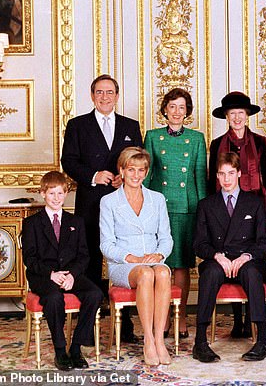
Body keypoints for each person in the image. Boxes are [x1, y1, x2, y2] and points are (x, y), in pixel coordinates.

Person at [61, 74, 143, 343]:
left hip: (124, 203)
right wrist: (93, 175)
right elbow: (68, 161)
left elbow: (137, 158)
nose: (105, 97)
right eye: (99, 92)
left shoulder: (131, 125)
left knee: (124, 259)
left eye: (110, 92)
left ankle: (126, 327)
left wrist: (124, 176)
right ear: (92, 95)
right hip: (91, 204)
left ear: (117, 96)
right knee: (91, 263)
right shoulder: (77, 125)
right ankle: (90, 328)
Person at [192, 152, 266, 363]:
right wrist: (217, 256)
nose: (226, 179)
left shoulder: (254, 203)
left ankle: (263, 340)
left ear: (238, 174)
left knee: (254, 274)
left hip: (245, 260)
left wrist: (246, 256)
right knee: (208, 274)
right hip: (218, 260)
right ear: (216, 176)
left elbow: (265, 242)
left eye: (230, 173)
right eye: (221, 174)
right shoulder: (206, 205)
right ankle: (200, 342)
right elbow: (199, 244)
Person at [209, 91, 266, 339]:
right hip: (226, 212)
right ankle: (238, 319)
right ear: (226, 117)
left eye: (241, 113)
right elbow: (211, 181)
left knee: (253, 263)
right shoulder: (218, 145)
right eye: (232, 114)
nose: (237, 117)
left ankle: (252, 318)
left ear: (247, 116)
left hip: (255, 213)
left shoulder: (259, 142)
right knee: (230, 259)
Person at [22, 171, 103, 371]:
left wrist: (73, 275)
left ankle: (75, 348)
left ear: (66, 194)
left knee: (95, 294)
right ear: (43, 194)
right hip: (43, 275)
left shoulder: (76, 222)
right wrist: (51, 274)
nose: (56, 198)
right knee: (54, 298)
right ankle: (60, 350)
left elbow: (83, 255)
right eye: (51, 194)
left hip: (70, 273)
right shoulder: (31, 223)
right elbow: (29, 259)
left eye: (60, 193)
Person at [99, 147, 174, 366]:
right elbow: (106, 244)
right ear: (121, 171)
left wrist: (159, 254)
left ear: (147, 172)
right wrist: (129, 257)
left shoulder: (157, 199)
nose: (136, 175)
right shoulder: (109, 202)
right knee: (145, 274)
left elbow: (167, 238)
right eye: (131, 169)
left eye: (141, 170)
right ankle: (148, 340)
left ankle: (160, 339)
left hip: (153, 260)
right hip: (123, 264)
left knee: (161, 272)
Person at [143, 88, 207, 338]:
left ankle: (180, 316)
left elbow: (200, 177)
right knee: (162, 264)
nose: (177, 112)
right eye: (172, 107)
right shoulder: (152, 137)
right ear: (165, 110)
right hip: (159, 209)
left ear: (187, 111)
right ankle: (164, 317)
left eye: (182, 107)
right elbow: (146, 178)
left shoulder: (197, 138)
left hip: (186, 210)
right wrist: (143, 209)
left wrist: (203, 213)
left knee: (181, 265)